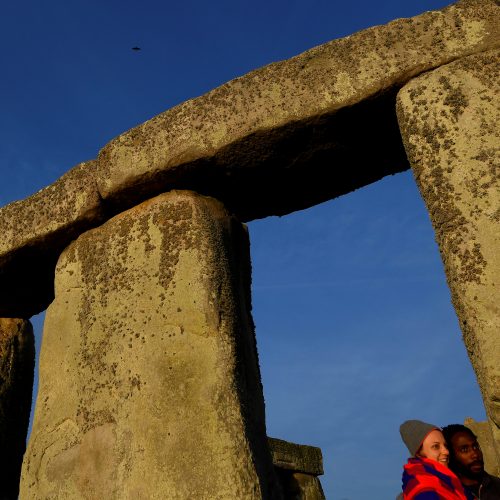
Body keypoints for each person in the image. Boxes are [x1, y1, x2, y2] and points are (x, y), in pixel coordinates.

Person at [398, 419, 470, 499]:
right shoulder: (424, 491)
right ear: (418, 453)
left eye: (445, 446)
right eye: (436, 446)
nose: (446, 452)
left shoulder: (452, 483)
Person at [442, 424, 500, 499]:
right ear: (450, 455)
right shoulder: (446, 493)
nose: (475, 454)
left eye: (475, 447)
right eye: (464, 450)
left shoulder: (497, 485)